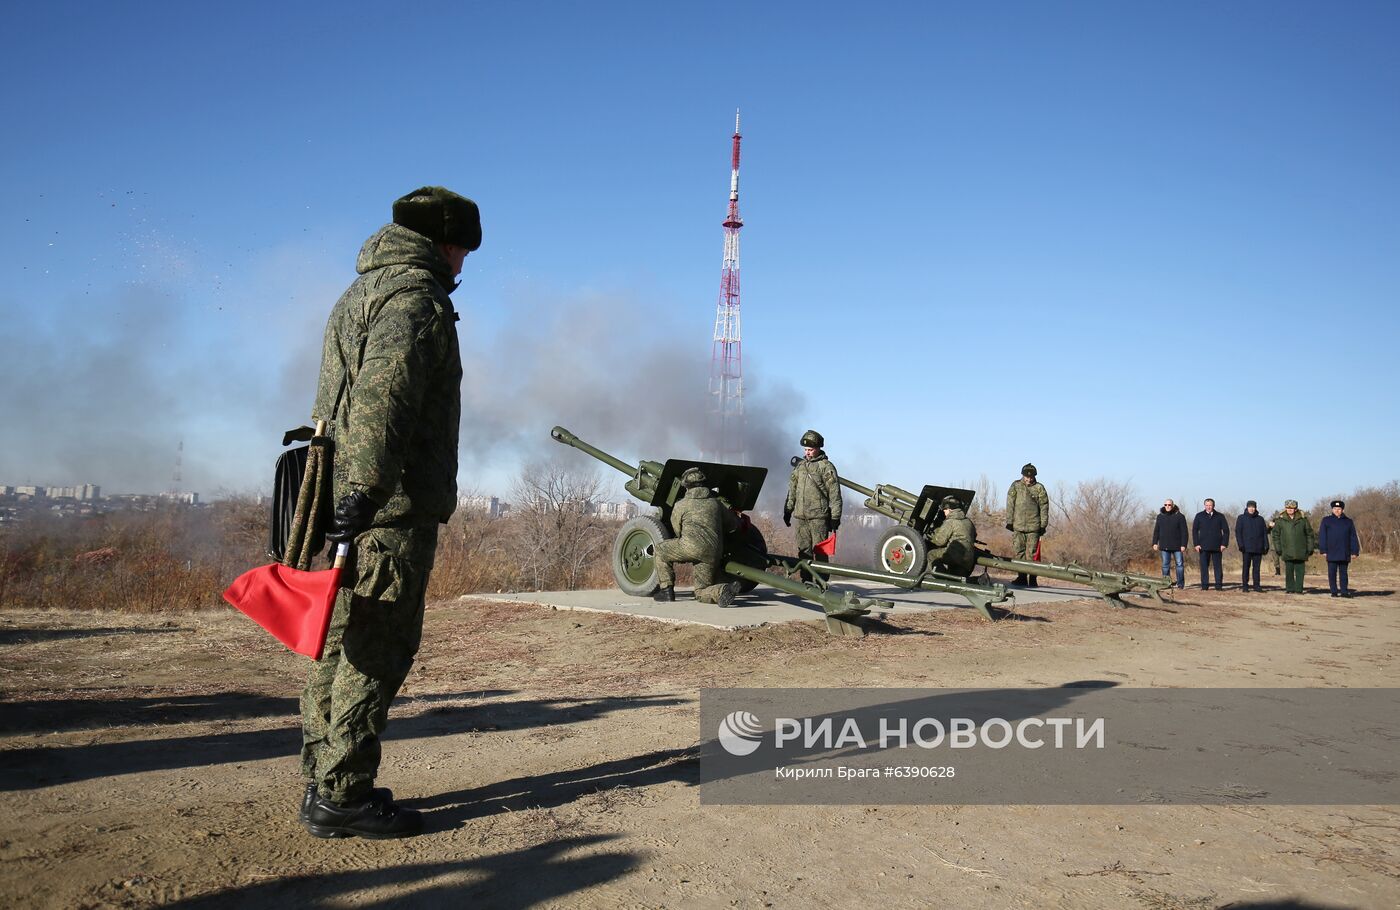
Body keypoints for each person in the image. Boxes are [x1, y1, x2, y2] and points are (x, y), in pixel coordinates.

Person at [300, 186, 480, 840]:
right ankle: (343, 793)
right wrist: (368, 490)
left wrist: (344, 497)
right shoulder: (416, 300)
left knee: (340, 637)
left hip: (348, 503)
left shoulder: (360, 292)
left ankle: (322, 779)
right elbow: (385, 398)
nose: (463, 263)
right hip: (387, 511)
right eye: (462, 248)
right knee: (378, 647)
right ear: (444, 241)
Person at [652, 467, 740, 607]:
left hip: (690, 547)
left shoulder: (681, 505)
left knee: (660, 550)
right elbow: (733, 525)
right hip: (713, 552)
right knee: (700, 591)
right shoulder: (716, 503)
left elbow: (677, 530)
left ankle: (666, 591)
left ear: (686, 486)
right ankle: (723, 590)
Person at [784, 430, 842, 565]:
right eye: (805, 450)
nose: (807, 453)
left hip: (819, 518)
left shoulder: (826, 467)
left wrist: (835, 517)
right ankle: (806, 582)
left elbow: (835, 495)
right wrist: (787, 511)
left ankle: (821, 581)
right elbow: (792, 491)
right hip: (801, 517)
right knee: (803, 552)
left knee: (820, 552)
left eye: (810, 449)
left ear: (818, 448)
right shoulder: (800, 467)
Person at [1005, 463, 1049, 586]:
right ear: (1023, 475)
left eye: (1031, 477)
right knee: (1019, 553)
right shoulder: (1016, 486)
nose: (1029, 479)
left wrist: (1043, 525)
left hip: (1033, 527)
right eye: (1026, 476)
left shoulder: (1039, 488)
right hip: (1018, 526)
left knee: (1032, 554)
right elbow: (1010, 504)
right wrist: (1009, 521)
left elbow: (1044, 507)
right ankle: (1022, 577)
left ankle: (1033, 578)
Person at [1270, 499, 1316, 595]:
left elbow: (1309, 534)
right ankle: (1290, 588)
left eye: (1292, 508)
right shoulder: (1280, 520)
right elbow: (1275, 535)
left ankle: (1299, 589)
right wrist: (1278, 548)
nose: (1290, 509)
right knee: (1289, 571)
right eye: (1288, 508)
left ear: (1296, 509)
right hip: (1286, 550)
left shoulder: (1303, 520)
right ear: (1285, 508)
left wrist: (1310, 548)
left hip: (1301, 550)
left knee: (1300, 571)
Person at [1317, 500, 1360, 597]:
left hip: (1344, 551)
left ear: (1342, 510)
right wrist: (1323, 550)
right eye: (1335, 509)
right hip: (1331, 551)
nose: (1337, 510)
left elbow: (1353, 537)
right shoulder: (1326, 520)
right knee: (1332, 573)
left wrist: (1355, 551)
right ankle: (1334, 591)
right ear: (1332, 509)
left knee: (1343, 573)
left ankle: (1344, 591)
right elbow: (1322, 536)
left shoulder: (1348, 522)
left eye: (1339, 509)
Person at [927, 495, 978, 577]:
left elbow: (939, 541)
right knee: (955, 579)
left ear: (950, 509)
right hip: (968, 559)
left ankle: (941, 578)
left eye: (945, 509)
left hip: (954, 556)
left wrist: (932, 536)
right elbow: (974, 536)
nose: (944, 511)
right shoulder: (968, 521)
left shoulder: (951, 521)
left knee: (931, 554)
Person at [1192, 498, 1230, 591]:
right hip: (1203, 546)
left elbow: (1226, 531)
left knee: (1218, 567)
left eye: (1210, 505)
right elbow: (1194, 531)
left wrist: (1224, 544)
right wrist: (1196, 544)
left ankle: (1218, 585)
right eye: (1207, 505)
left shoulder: (1220, 516)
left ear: (1214, 506)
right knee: (1204, 567)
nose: (1209, 507)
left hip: (1217, 546)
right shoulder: (1199, 516)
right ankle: (1204, 586)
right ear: (1204, 506)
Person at [1151, 498, 1189, 589]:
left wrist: (1184, 545)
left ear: (1173, 505)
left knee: (1179, 565)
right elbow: (1156, 531)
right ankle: (1166, 583)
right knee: (1165, 565)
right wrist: (1154, 543)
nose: (1167, 506)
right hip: (1164, 545)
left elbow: (1184, 532)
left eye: (1169, 505)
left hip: (1177, 546)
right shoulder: (1160, 516)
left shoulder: (1180, 516)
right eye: (1166, 505)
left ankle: (1180, 584)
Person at [1234, 500, 1270, 592]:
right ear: (1247, 507)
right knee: (1246, 567)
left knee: (1256, 568)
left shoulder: (1260, 519)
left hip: (1258, 547)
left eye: (1253, 507)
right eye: (1250, 507)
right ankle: (1245, 585)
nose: (1252, 509)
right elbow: (1238, 532)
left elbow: (1264, 533)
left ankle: (1257, 585)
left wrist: (1266, 545)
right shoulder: (1241, 518)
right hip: (1246, 547)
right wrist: (1241, 545)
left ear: (1255, 508)